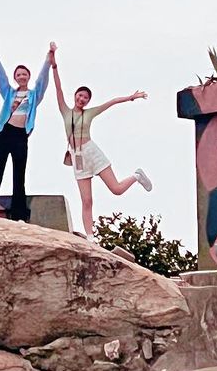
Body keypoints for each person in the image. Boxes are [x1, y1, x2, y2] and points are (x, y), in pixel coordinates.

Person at [49, 41, 152, 240]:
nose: (82, 99)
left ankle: (136, 176)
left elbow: (111, 102)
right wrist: (54, 64)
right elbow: (58, 89)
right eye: (80, 95)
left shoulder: (89, 113)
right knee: (86, 200)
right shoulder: (65, 111)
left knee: (116, 189)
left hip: (91, 151)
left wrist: (132, 97)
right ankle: (90, 236)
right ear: (75, 95)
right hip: (77, 157)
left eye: (86, 98)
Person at [0, 35, 53, 221]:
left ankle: (18, 214)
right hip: (5, 133)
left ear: (28, 77)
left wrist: (49, 58)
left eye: (24, 74)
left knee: (19, 174)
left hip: (21, 136)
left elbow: (43, 79)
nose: (22, 76)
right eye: (19, 74)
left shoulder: (34, 95)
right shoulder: (9, 93)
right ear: (15, 77)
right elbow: (0, 75)